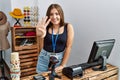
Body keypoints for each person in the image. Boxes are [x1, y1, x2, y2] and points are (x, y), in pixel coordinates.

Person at [36, 3, 74, 73]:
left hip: (59, 60)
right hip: (44, 59)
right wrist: (40, 36)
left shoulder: (68, 27)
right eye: (51, 14)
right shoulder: (45, 27)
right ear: (48, 16)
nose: (54, 17)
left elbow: (69, 47)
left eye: (57, 14)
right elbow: (41, 45)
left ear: (61, 14)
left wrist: (62, 65)